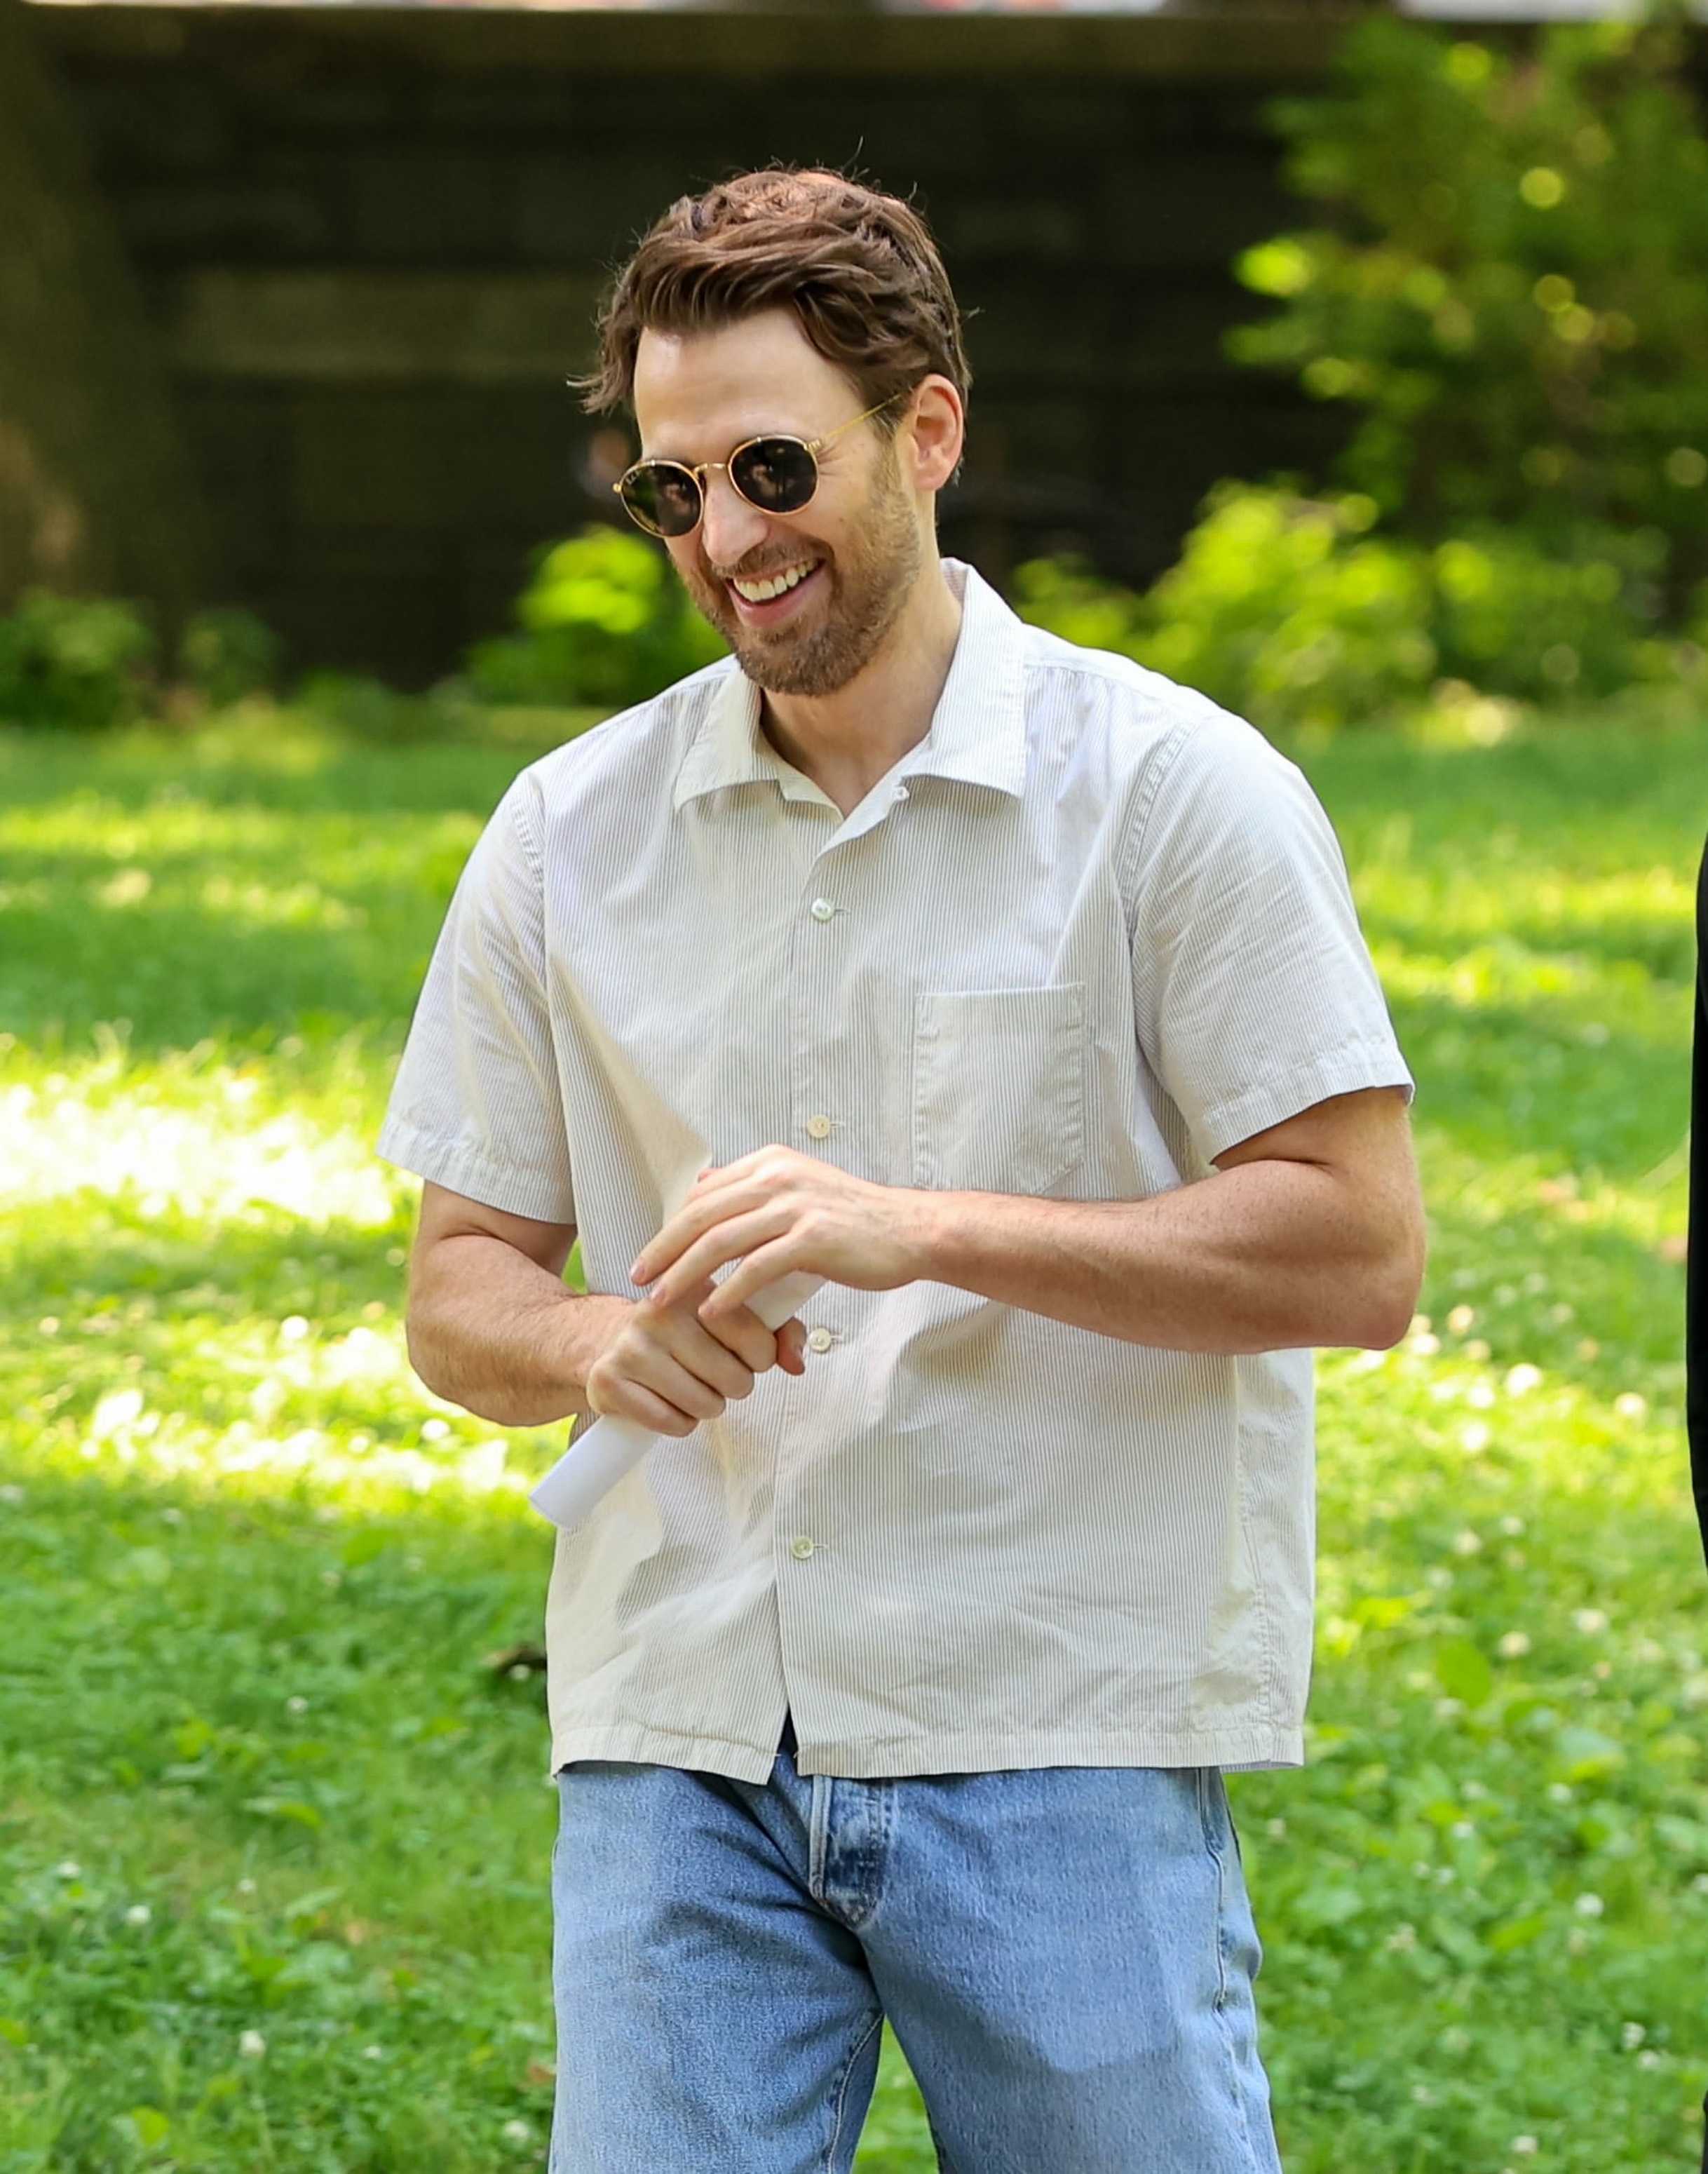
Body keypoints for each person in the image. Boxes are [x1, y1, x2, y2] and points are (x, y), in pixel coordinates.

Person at [379, 169, 1425, 2174]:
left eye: (770, 463)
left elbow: (1356, 1247)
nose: (725, 536)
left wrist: (920, 1225)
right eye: (666, 491)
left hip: (1053, 1709)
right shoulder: (564, 828)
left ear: (925, 430)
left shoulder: (1175, 792)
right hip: (676, 1716)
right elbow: (460, 1283)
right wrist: (592, 1339)